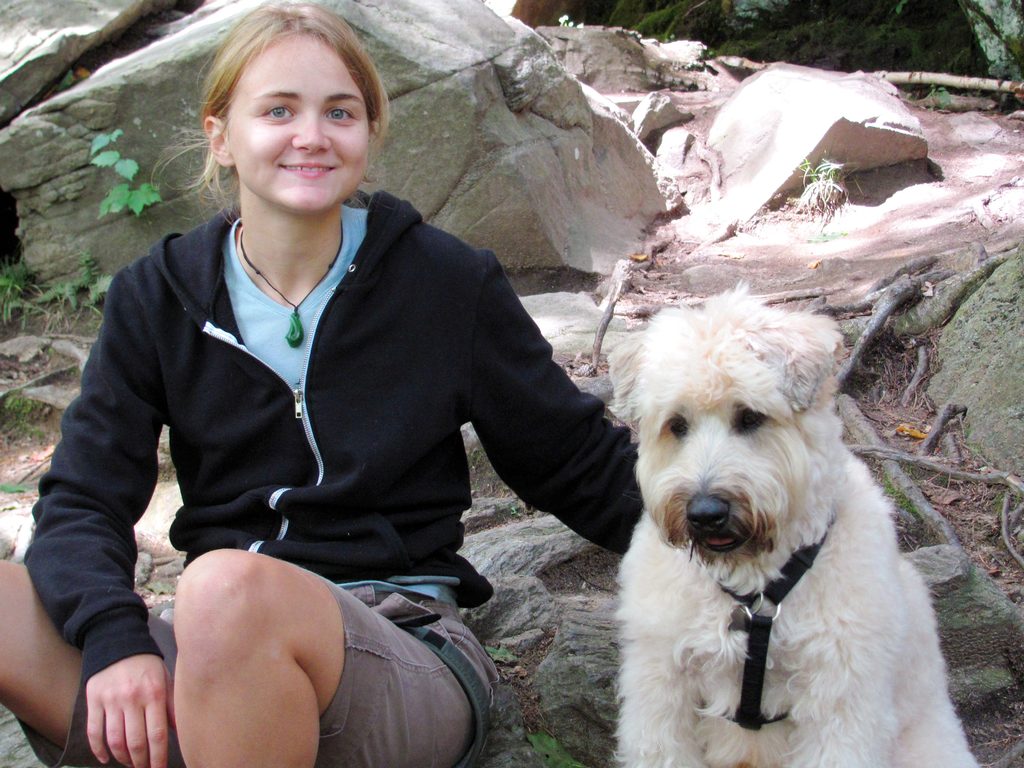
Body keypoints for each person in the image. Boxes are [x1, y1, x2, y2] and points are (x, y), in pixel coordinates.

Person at [0, 3, 641, 767]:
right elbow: (82, 499)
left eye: (340, 111)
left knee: (225, 592)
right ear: (221, 136)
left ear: (368, 133)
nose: (311, 135)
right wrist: (112, 637)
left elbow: (575, 463)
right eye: (278, 110)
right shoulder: (158, 297)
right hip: (214, 645)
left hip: (400, 646)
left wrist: (746, 540)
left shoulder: (444, 283)